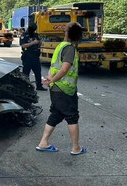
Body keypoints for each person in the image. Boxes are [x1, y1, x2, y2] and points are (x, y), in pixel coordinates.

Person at [36, 22, 86, 156]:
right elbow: (64, 69)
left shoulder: (60, 46)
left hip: (56, 88)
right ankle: (76, 148)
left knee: (56, 114)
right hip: (65, 89)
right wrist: (52, 80)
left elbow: (53, 66)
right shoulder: (70, 49)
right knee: (72, 117)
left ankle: (43, 143)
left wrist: (50, 79)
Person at [20, 23, 46, 91]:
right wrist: (33, 43)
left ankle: (39, 86)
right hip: (27, 56)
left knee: (38, 72)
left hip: (35, 56)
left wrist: (39, 42)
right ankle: (25, 87)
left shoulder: (35, 35)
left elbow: (39, 42)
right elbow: (23, 45)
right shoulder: (24, 35)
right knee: (26, 73)